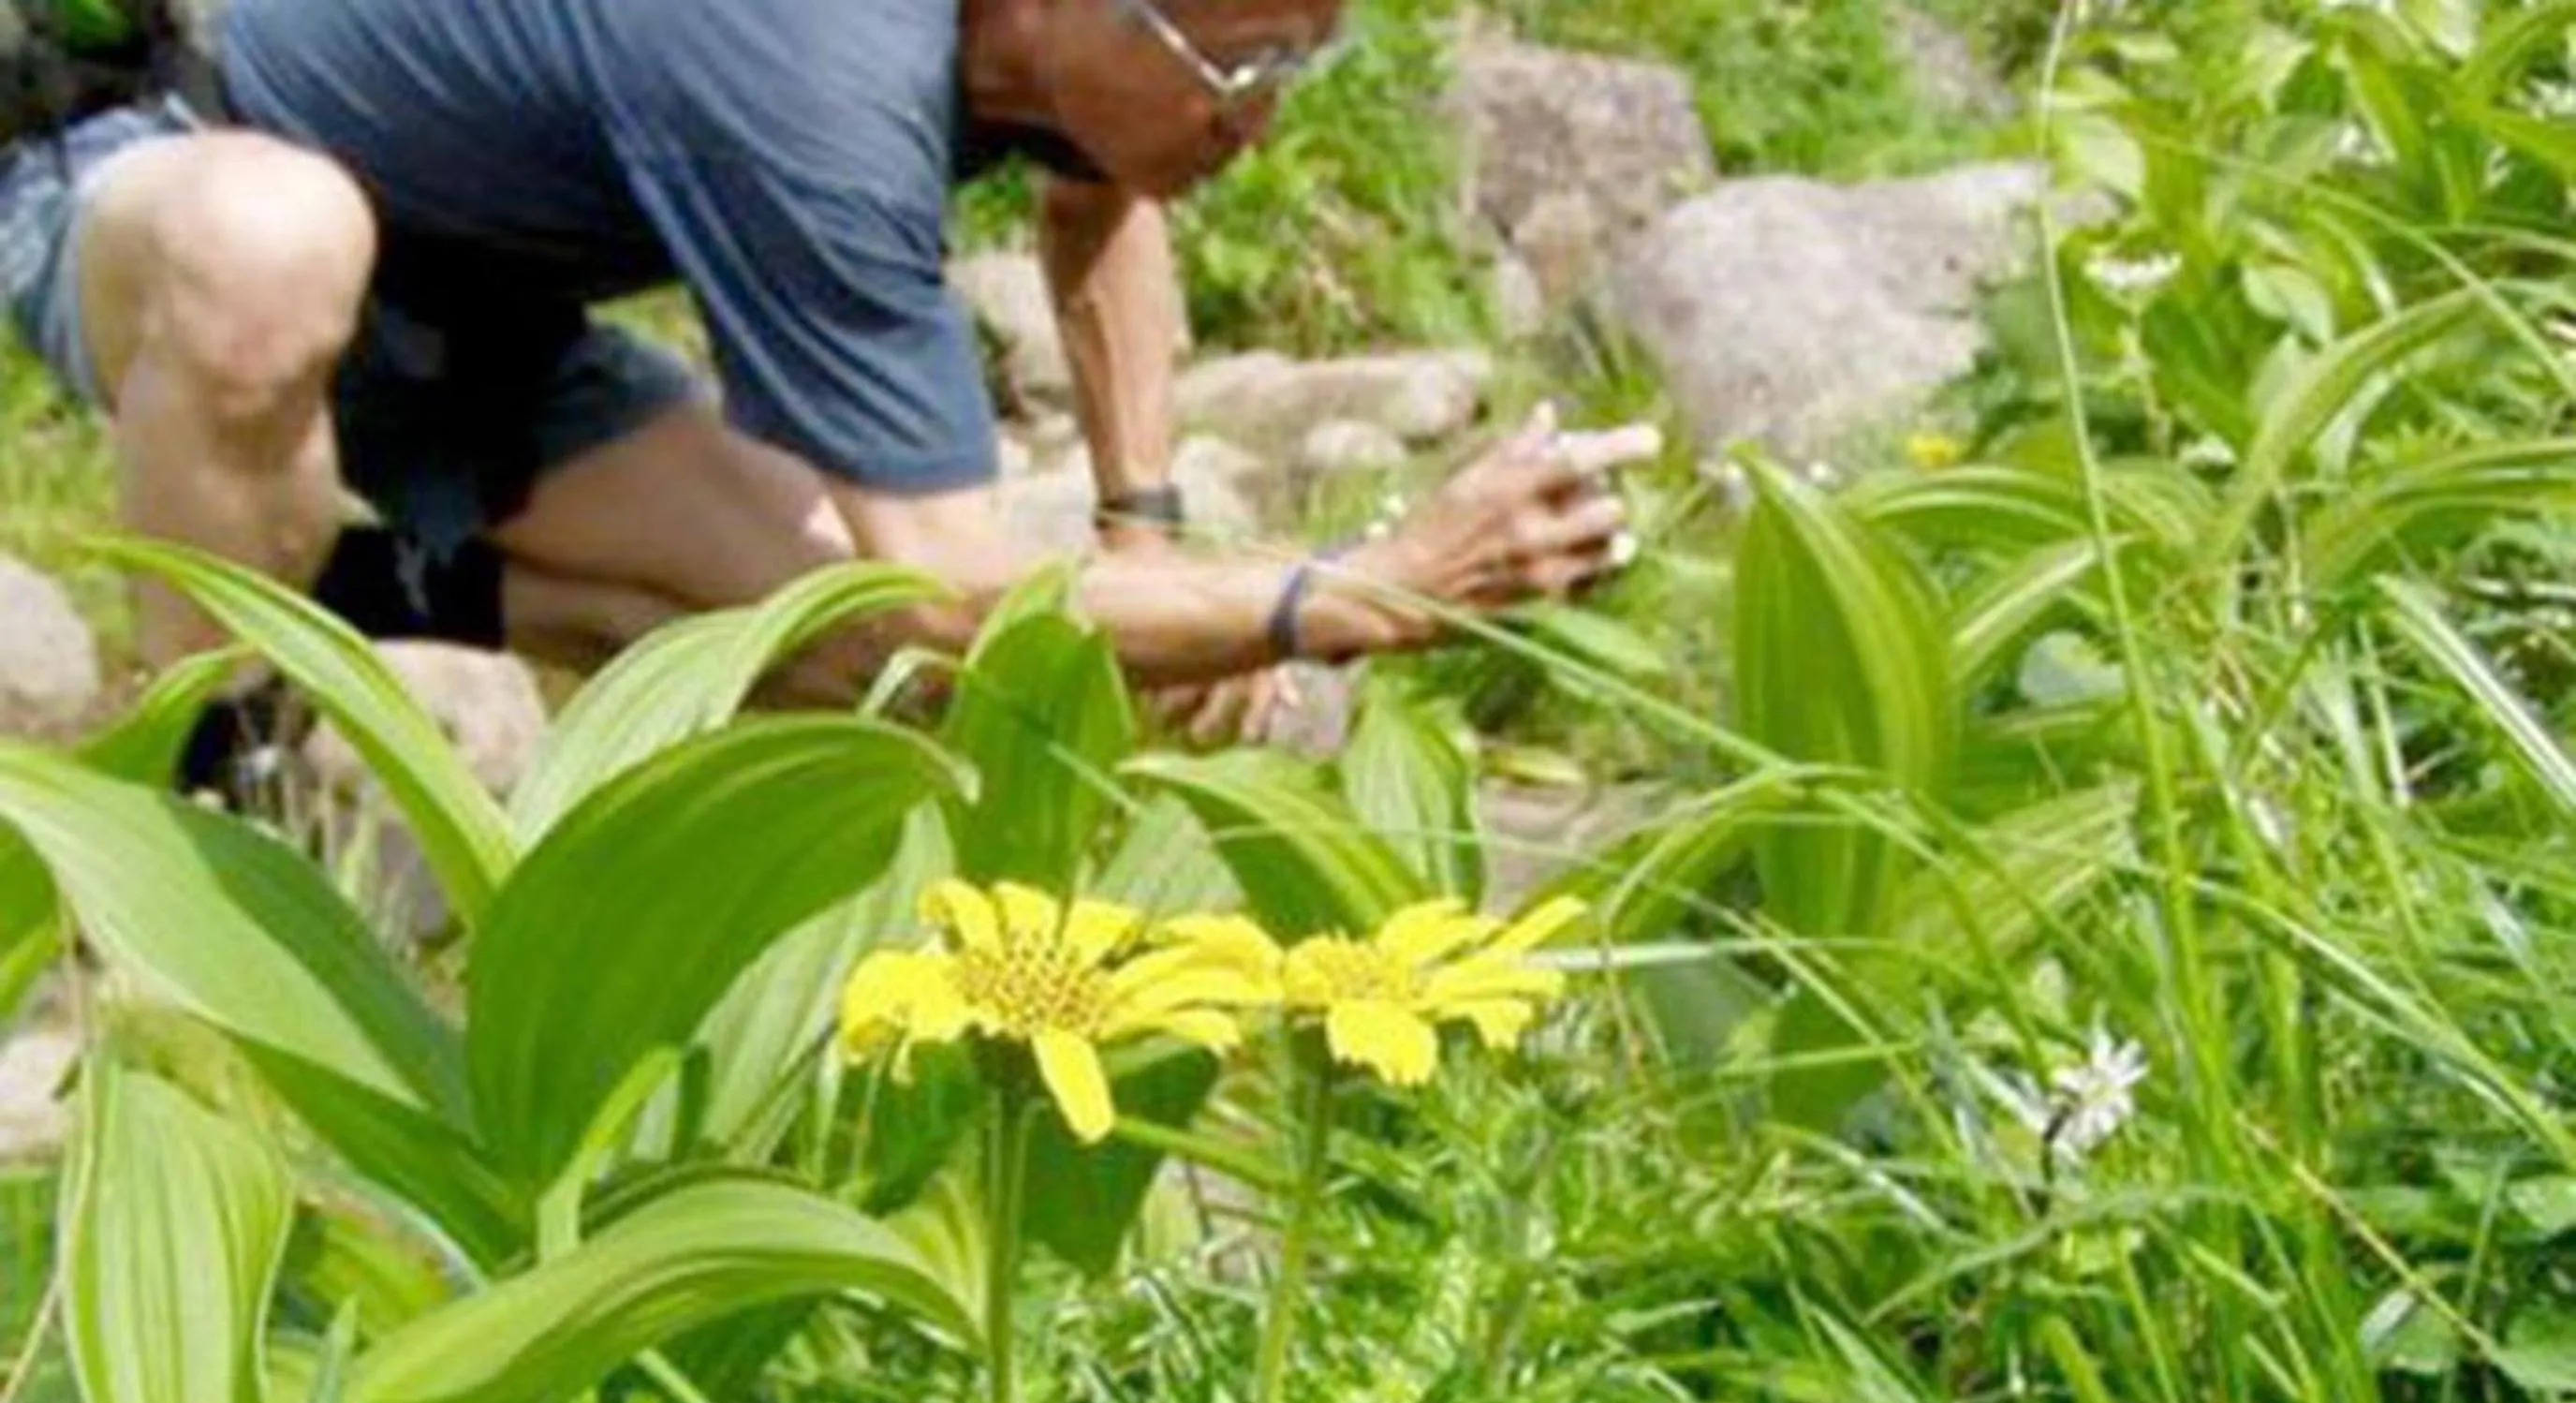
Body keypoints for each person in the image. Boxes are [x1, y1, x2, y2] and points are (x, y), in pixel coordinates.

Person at [0, 0, 1659, 763]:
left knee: (845, 658)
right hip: (150, 174)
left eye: (1307, 60)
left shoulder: (1034, 49)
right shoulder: (823, 80)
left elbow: (1103, 200)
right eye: (1249, 67)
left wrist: (1148, 535)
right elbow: (940, 580)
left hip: (469, 312)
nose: (1264, 120)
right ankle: (193, 794)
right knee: (274, 237)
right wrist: (1345, 590)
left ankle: (368, 588)